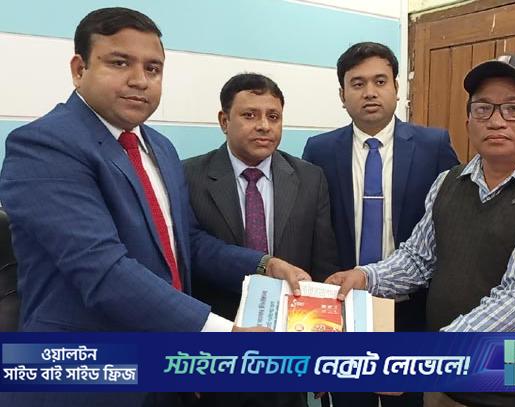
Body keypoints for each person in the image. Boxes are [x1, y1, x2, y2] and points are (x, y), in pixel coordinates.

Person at [0, 8, 308, 407]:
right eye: (119, 63)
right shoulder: (43, 146)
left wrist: (265, 264)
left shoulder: (159, 147)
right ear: (79, 69)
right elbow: (102, 269)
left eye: (153, 68)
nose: (139, 80)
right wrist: (220, 336)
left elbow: (186, 244)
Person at [326, 54, 515, 407]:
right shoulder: (449, 182)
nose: (496, 121)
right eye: (483, 108)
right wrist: (366, 277)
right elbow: (418, 259)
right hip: (449, 386)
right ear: (468, 119)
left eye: (514, 109)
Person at [302, 41, 458, 407]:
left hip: (412, 307)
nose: (370, 92)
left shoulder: (433, 145)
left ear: (396, 87)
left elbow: (453, 223)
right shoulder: (320, 150)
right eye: (357, 84)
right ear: (342, 94)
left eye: (380, 81)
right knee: (348, 400)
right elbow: (311, 232)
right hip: (344, 307)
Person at [184, 72, 338, 407]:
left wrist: (324, 351)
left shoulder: (309, 178)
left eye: (273, 116)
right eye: (250, 115)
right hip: (216, 353)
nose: (264, 126)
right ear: (224, 121)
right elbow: (186, 264)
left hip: (289, 354)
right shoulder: (188, 176)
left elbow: (323, 265)